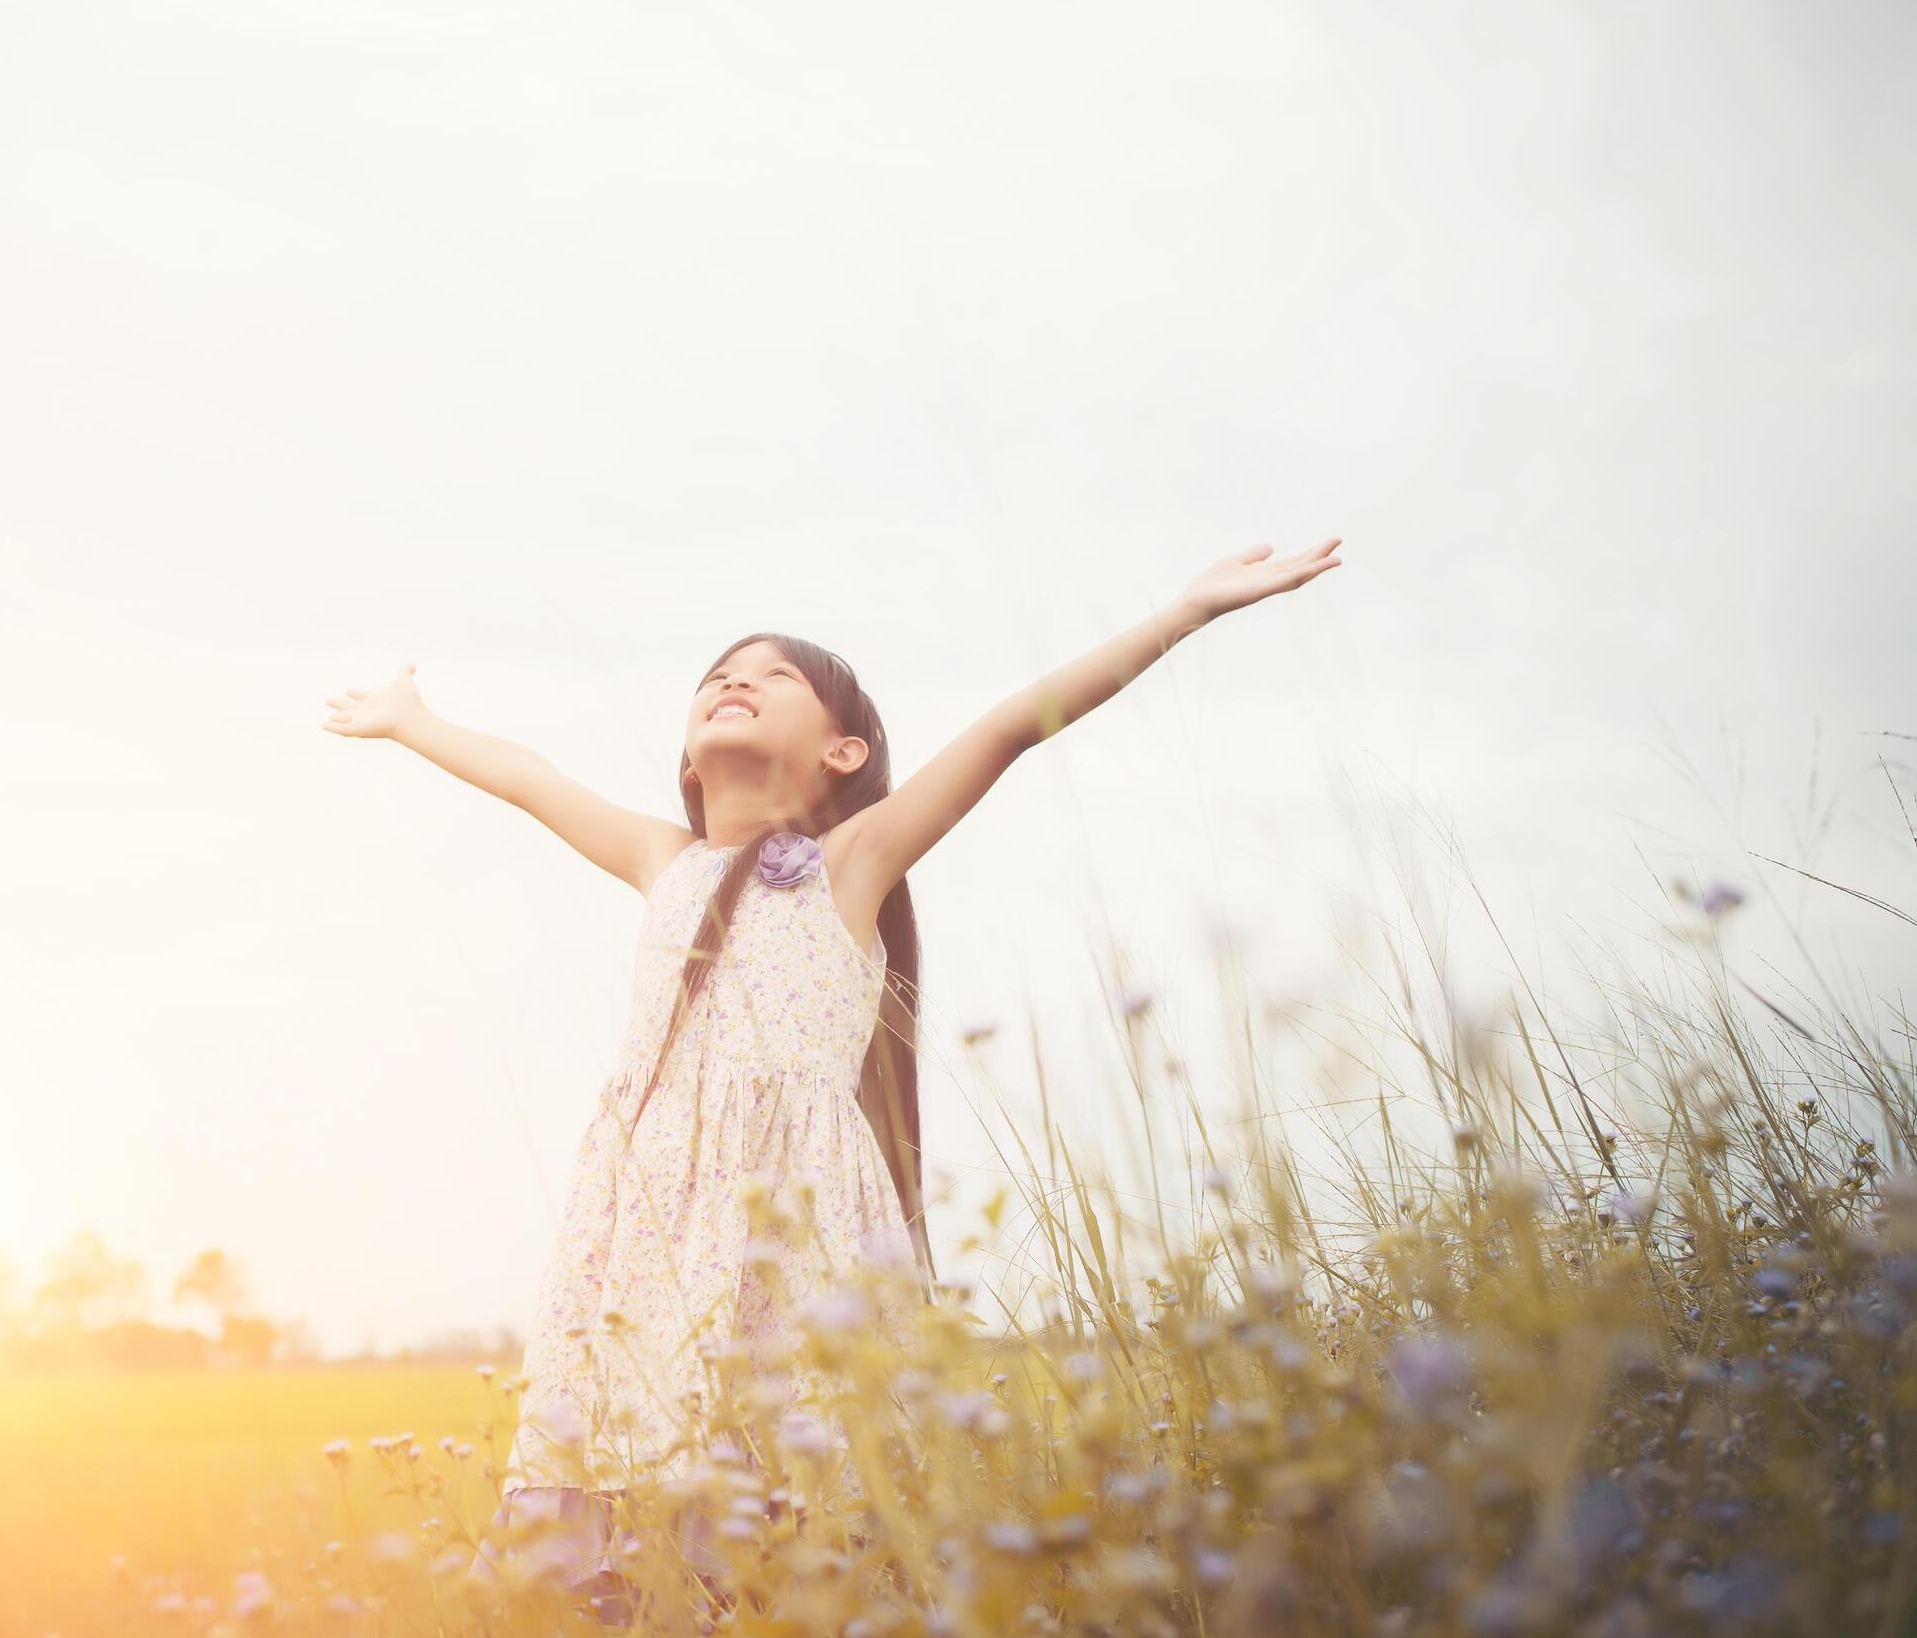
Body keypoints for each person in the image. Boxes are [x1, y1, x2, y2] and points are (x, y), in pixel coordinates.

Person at [319, 539, 1344, 1617]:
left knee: (795, 1491)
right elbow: (528, 777)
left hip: (796, 1228)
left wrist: (1184, 611)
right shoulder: (660, 861)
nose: (733, 682)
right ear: (687, 749)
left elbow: (1008, 729)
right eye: (718, 674)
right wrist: (413, 719)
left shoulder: (854, 865)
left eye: (773, 677)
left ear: (844, 751)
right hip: (647, 1224)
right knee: (611, 1452)